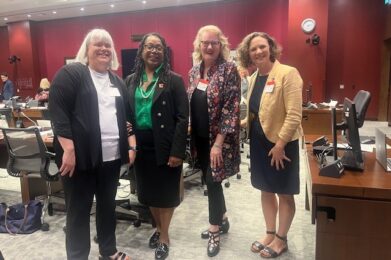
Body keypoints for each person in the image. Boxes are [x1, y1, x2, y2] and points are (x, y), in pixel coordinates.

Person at [49, 28, 135, 260]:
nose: (104, 48)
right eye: (98, 44)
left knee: (107, 208)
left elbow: (126, 118)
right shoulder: (72, 74)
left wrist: (131, 144)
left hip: (110, 158)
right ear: (86, 50)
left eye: (108, 45)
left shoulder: (117, 81)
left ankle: (108, 251)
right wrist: (68, 149)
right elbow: (58, 112)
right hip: (79, 159)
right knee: (78, 212)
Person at [237, 32, 303, 258]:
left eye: (262, 47)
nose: (258, 52)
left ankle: (281, 239)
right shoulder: (255, 77)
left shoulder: (288, 73)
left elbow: (294, 115)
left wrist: (280, 144)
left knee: (284, 192)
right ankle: (270, 232)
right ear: (249, 54)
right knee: (265, 190)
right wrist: (240, 124)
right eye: (253, 49)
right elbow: (258, 112)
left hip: (280, 145)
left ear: (271, 48)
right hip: (258, 143)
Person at [125, 32, 188, 260]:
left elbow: (183, 118)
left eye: (159, 47)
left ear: (164, 52)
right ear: (141, 51)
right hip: (140, 146)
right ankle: (159, 228)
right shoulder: (130, 80)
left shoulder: (174, 80)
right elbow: (126, 114)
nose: (154, 51)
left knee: (166, 193)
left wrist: (177, 151)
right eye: (149, 47)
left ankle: (164, 236)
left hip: (165, 144)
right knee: (149, 193)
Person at [188, 25, 241, 257]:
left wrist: (218, 143)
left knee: (212, 182)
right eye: (205, 42)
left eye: (214, 43)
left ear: (221, 46)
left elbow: (231, 109)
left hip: (219, 139)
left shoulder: (229, 69)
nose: (209, 47)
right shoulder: (194, 71)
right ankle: (223, 218)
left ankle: (214, 231)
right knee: (211, 180)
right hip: (199, 138)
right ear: (199, 45)